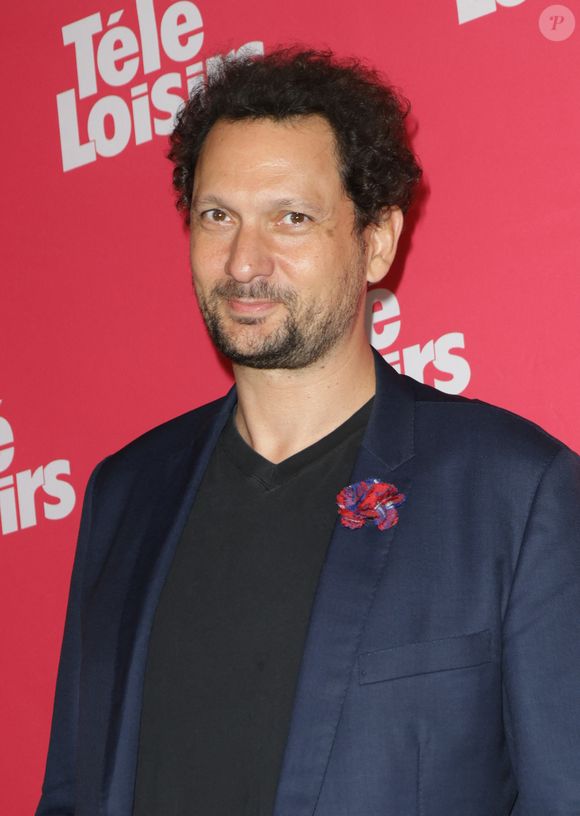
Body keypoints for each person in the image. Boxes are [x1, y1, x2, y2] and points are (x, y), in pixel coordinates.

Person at [36, 49, 580, 816]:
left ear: (377, 242)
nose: (244, 261)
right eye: (217, 215)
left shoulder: (514, 492)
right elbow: (72, 790)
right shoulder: (124, 492)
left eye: (292, 218)